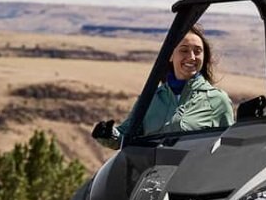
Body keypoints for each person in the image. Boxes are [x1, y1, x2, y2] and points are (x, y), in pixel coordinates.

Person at [93, 24, 234, 149]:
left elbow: (229, 149)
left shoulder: (217, 100)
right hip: (153, 171)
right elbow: (125, 138)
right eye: (184, 50)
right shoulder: (150, 98)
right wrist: (108, 134)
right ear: (171, 55)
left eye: (197, 51)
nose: (192, 57)